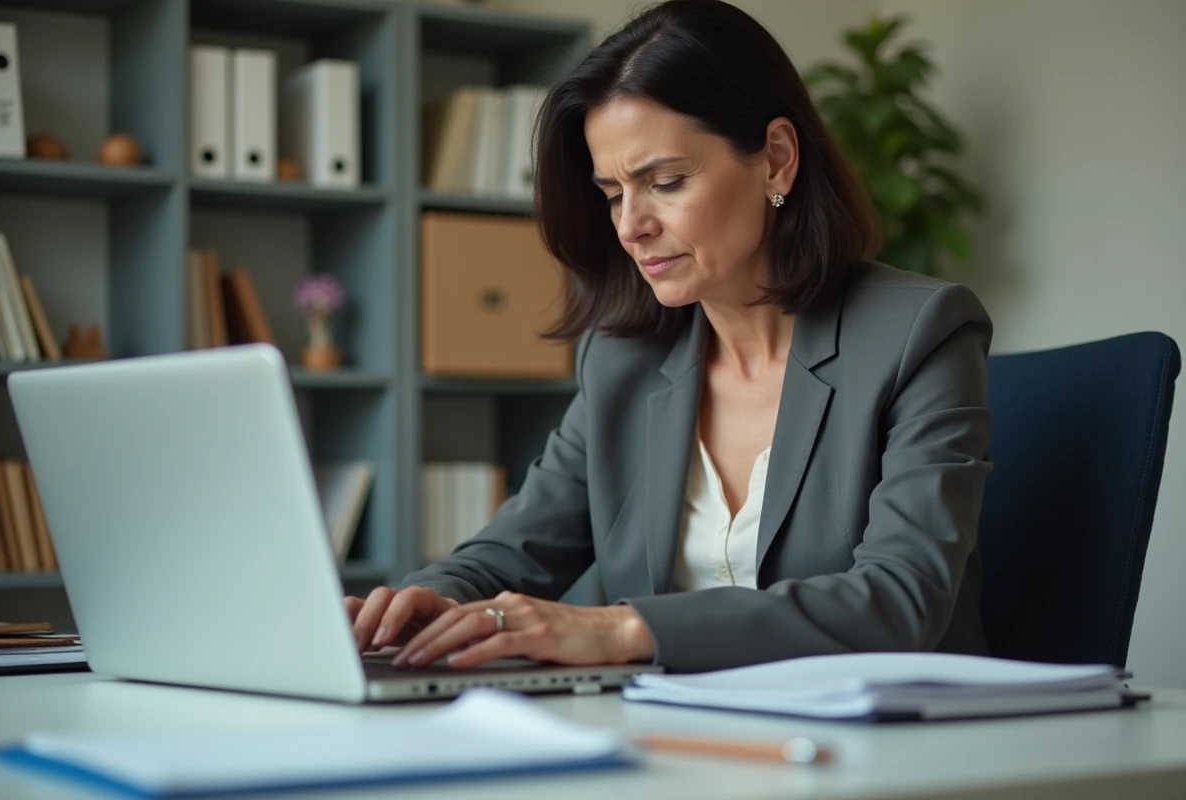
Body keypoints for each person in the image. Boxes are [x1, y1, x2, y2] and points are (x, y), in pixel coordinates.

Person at [346, 0, 993, 674]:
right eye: (612, 193)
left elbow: (902, 598)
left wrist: (623, 630)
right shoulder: (624, 361)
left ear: (775, 159)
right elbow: (511, 554)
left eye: (665, 182)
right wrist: (427, 603)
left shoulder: (919, 333)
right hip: (674, 740)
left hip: (883, 745)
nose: (631, 225)